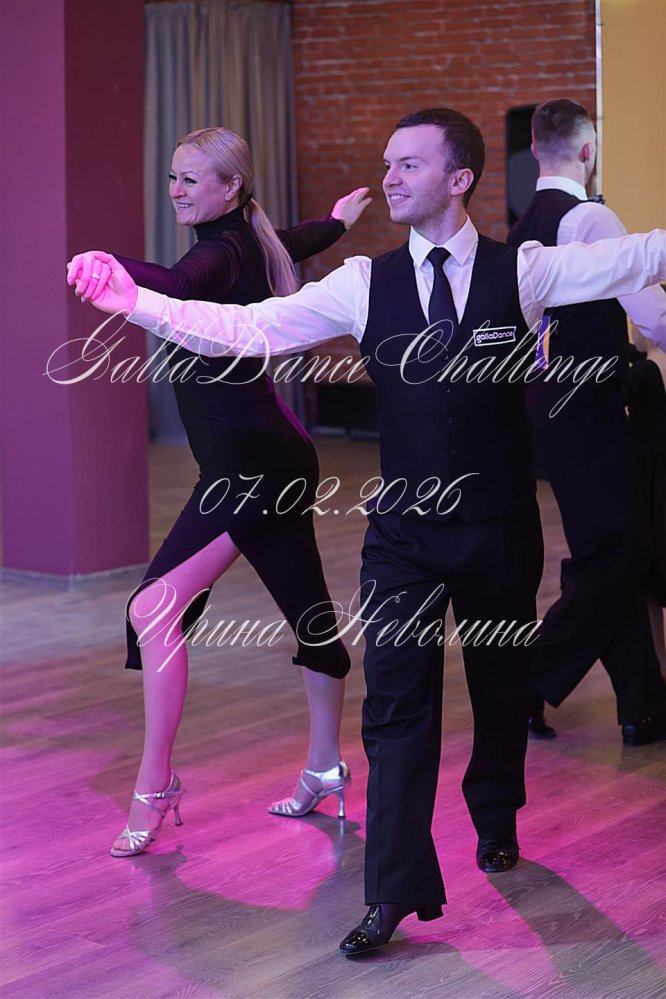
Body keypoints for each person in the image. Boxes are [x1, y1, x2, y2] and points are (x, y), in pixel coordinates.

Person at [68, 108, 666, 955]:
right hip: (404, 538)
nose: (389, 178)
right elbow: (249, 327)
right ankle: (392, 890)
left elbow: (637, 257)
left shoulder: (525, 270)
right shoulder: (362, 283)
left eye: (408, 164)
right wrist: (138, 303)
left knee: (501, 689)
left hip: (499, 526)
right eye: (388, 163)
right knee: (394, 710)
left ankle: (496, 814)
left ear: (459, 178)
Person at [75, 126, 371, 858]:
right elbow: (294, 242)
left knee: (153, 607)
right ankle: (325, 767)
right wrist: (335, 223)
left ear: (231, 187)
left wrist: (110, 264)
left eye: (190, 179)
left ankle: (155, 784)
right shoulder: (251, 237)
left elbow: (176, 285)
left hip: (251, 467)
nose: (176, 190)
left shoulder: (222, 250)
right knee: (309, 615)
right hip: (270, 458)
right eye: (173, 176)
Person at [507, 99, 666, 746]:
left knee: (610, 548)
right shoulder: (591, 217)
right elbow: (652, 315)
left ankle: (642, 706)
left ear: (534, 150)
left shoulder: (521, 229)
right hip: (590, 404)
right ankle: (524, 683)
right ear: (587, 150)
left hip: (544, 405)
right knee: (621, 551)